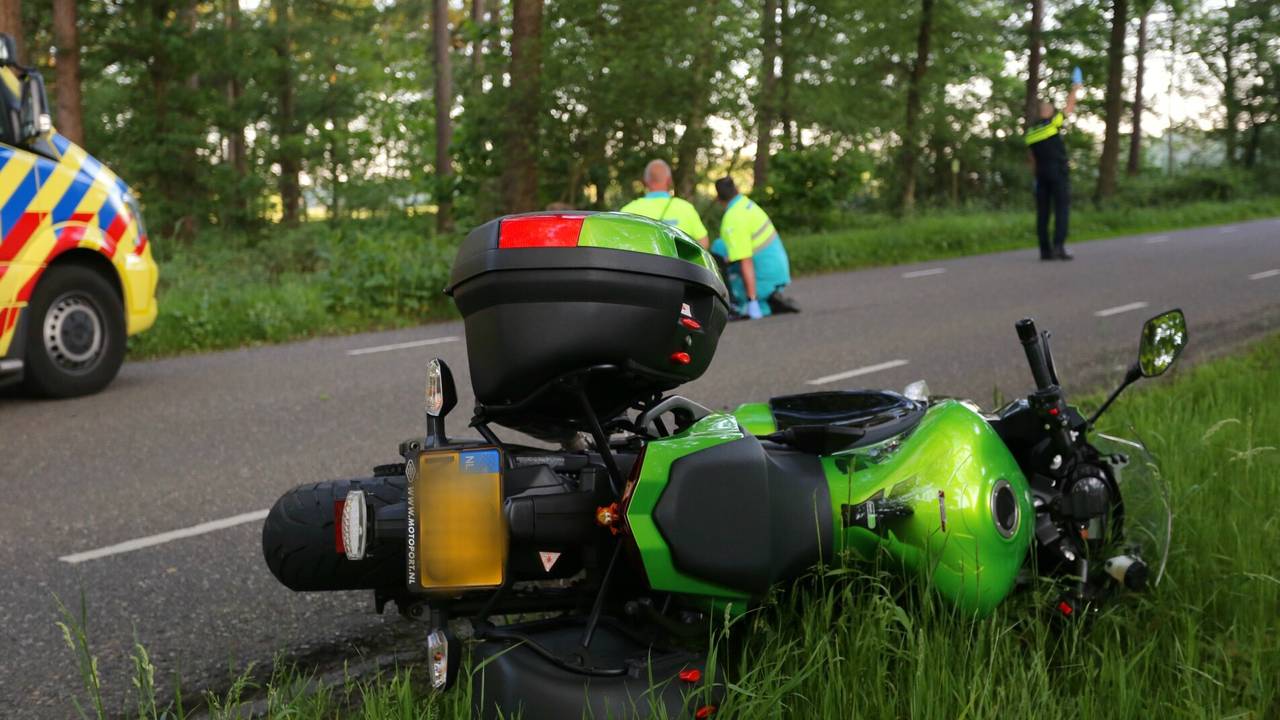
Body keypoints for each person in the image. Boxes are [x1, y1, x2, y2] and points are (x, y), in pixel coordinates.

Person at [711, 177, 796, 320]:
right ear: (736, 190)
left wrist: (752, 301)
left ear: (719, 199)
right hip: (779, 272)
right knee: (721, 245)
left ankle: (761, 304)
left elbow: (746, 261)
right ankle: (769, 297)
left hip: (764, 277)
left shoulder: (733, 218)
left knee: (729, 297)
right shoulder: (747, 204)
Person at [1026, 67, 1083, 261]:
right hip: (1057, 174)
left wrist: (1035, 177)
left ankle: (1045, 250)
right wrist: (1075, 89)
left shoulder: (1031, 132)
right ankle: (1059, 247)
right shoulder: (1052, 125)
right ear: (1048, 112)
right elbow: (1069, 109)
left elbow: (1031, 158)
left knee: (1042, 213)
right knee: (1061, 209)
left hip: (1040, 176)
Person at [619, 160, 710, 248]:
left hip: (639, 263)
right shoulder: (686, 208)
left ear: (645, 181)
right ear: (669, 180)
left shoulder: (627, 211)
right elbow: (703, 242)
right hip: (677, 263)